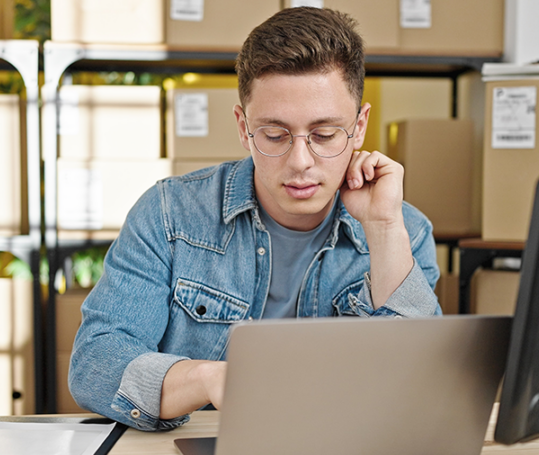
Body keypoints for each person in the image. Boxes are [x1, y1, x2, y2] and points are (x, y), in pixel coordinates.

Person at [69, 7, 442, 431]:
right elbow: (96, 363)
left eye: (324, 135)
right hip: (201, 448)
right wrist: (208, 379)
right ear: (243, 127)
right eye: (274, 135)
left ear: (359, 127)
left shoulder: (404, 229)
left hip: (348, 450)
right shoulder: (169, 214)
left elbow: (424, 383)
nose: (300, 161)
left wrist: (383, 229)